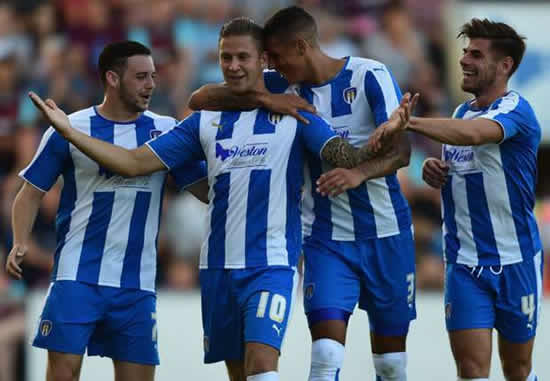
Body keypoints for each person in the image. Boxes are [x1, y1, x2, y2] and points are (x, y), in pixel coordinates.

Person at [26, 18, 414, 381]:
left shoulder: (297, 111)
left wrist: (377, 146)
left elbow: (341, 154)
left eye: (243, 57)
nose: (232, 65)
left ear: (263, 61)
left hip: (271, 263)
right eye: (225, 57)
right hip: (217, 270)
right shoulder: (204, 119)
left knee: (264, 367)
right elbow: (132, 162)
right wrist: (68, 131)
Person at [188, 6, 416, 381]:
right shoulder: (283, 85)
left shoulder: (369, 74)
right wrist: (266, 99)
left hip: (386, 233)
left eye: (276, 58)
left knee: (391, 365)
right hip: (325, 239)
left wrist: (359, 173)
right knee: (326, 355)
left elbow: (401, 153)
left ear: (300, 46)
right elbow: (201, 98)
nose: (271, 68)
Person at [323, 18, 542, 381]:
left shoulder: (516, 110)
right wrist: (437, 171)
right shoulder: (459, 112)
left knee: (518, 370)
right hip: (465, 262)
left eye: (476, 54)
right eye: (465, 52)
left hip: (515, 258)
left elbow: (474, 136)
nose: (464, 60)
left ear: (505, 66)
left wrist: (408, 122)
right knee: (471, 370)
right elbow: (467, 154)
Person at [5, 41, 208, 381]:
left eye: (153, 77)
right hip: (77, 274)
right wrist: (19, 240)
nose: (151, 85)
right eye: (141, 77)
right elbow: (30, 193)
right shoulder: (69, 127)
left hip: (137, 282)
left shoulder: (166, 130)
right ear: (112, 79)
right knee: (62, 375)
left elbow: (202, 189)